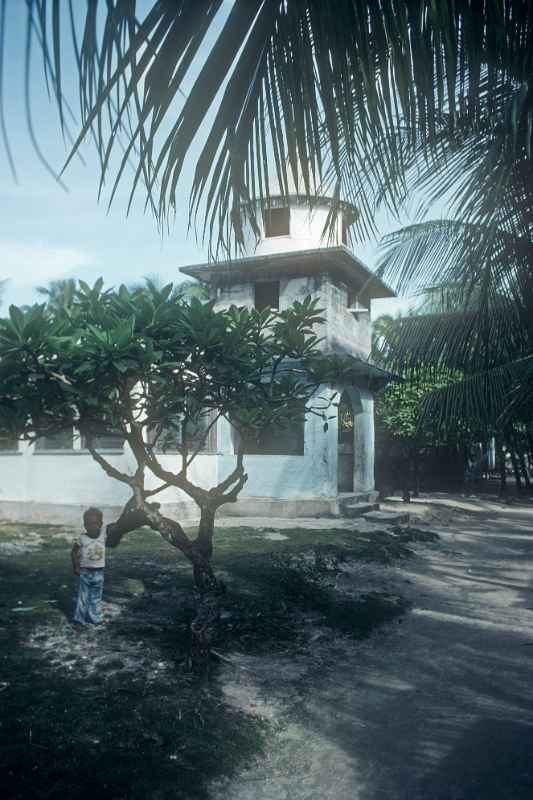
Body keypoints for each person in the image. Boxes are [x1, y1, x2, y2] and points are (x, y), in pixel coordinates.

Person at [71, 507, 108, 629]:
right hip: (85, 571)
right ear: (85, 525)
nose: (92, 526)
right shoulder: (82, 538)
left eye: (95, 523)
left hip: (99, 572)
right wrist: (76, 566)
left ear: (101, 524)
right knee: (83, 597)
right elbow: (73, 552)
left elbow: (117, 530)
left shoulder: (103, 536)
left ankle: (95, 618)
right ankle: (79, 620)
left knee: (96, 597)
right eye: (88, 524)